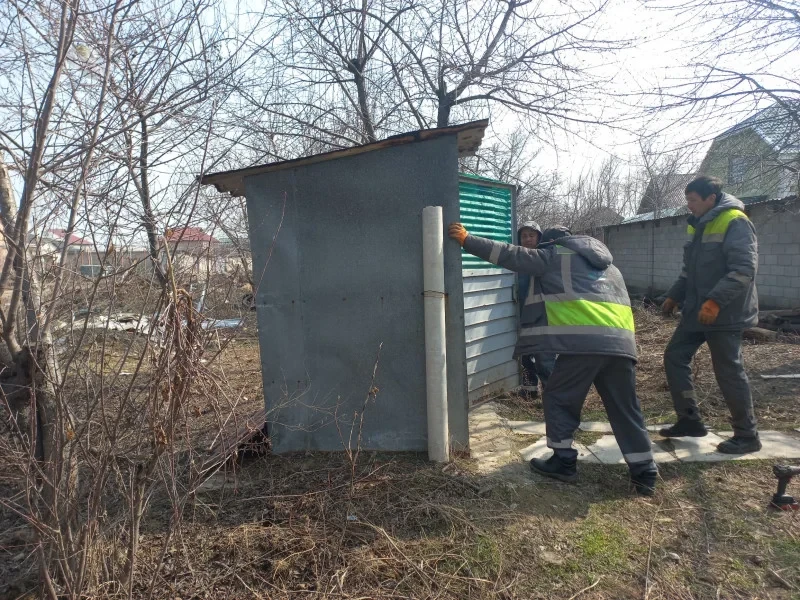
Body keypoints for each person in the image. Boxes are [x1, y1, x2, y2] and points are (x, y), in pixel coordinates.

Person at [449, 222, 658, 496]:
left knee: (558, 397)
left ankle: (563, 462)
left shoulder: (554, 256)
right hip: (621, 345)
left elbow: (511, 254)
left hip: (584, 343)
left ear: (551, 243)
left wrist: (467, 239)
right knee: (625, 408)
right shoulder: (610, 267)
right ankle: (645, 472)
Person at [659, 176, 761, 454]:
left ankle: (747, 435)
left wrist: (715, 302)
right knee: (675, 357)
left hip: (724, 313)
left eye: (693, 200)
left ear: (710, 199)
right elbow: (688, 271)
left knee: (728, 370)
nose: (689, 206)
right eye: (688, 200)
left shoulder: (735, 221)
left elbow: (743, 269)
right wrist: (673, 295)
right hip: (696, 310)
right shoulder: (698, 224)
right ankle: (690, 420)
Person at [516, 221, 556, 398]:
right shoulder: (516, 259)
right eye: (524, 236)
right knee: (526, 355)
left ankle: (553, 396)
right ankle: (529, 393)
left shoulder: (545, 259)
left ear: (539, 238)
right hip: (523, 315)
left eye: (531, 235)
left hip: (542, 317)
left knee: (544, 358)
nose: (527, 239)